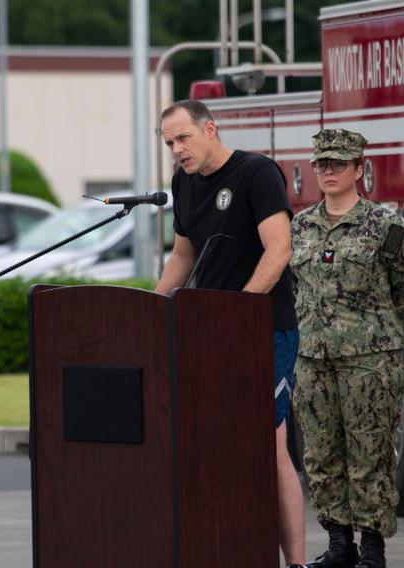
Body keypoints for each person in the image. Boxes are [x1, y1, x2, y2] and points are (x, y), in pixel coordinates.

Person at [156, 99, 307, 568]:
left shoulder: (256, 174)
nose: (177, 150)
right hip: (208, 333)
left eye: (183, 138)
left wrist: (238, 312)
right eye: (169, 144)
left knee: (269, 444)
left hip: (263, 331)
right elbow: (183, 257)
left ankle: (296, 563)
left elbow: (278, 250)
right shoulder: (183, 182)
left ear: (211, 129)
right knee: (216, 443)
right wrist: (149, 308)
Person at [290, 129, 404, 568]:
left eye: (338, 164)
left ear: (358, 170)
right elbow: (297, 289)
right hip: (314, 360)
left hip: (369, 362)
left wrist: (372, 333)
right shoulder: (301, 226)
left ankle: (372, 550)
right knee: (322, 455)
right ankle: (339, 544)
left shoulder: (385, 227)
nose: (328, 172)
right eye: (321, 165)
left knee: (371, 455)